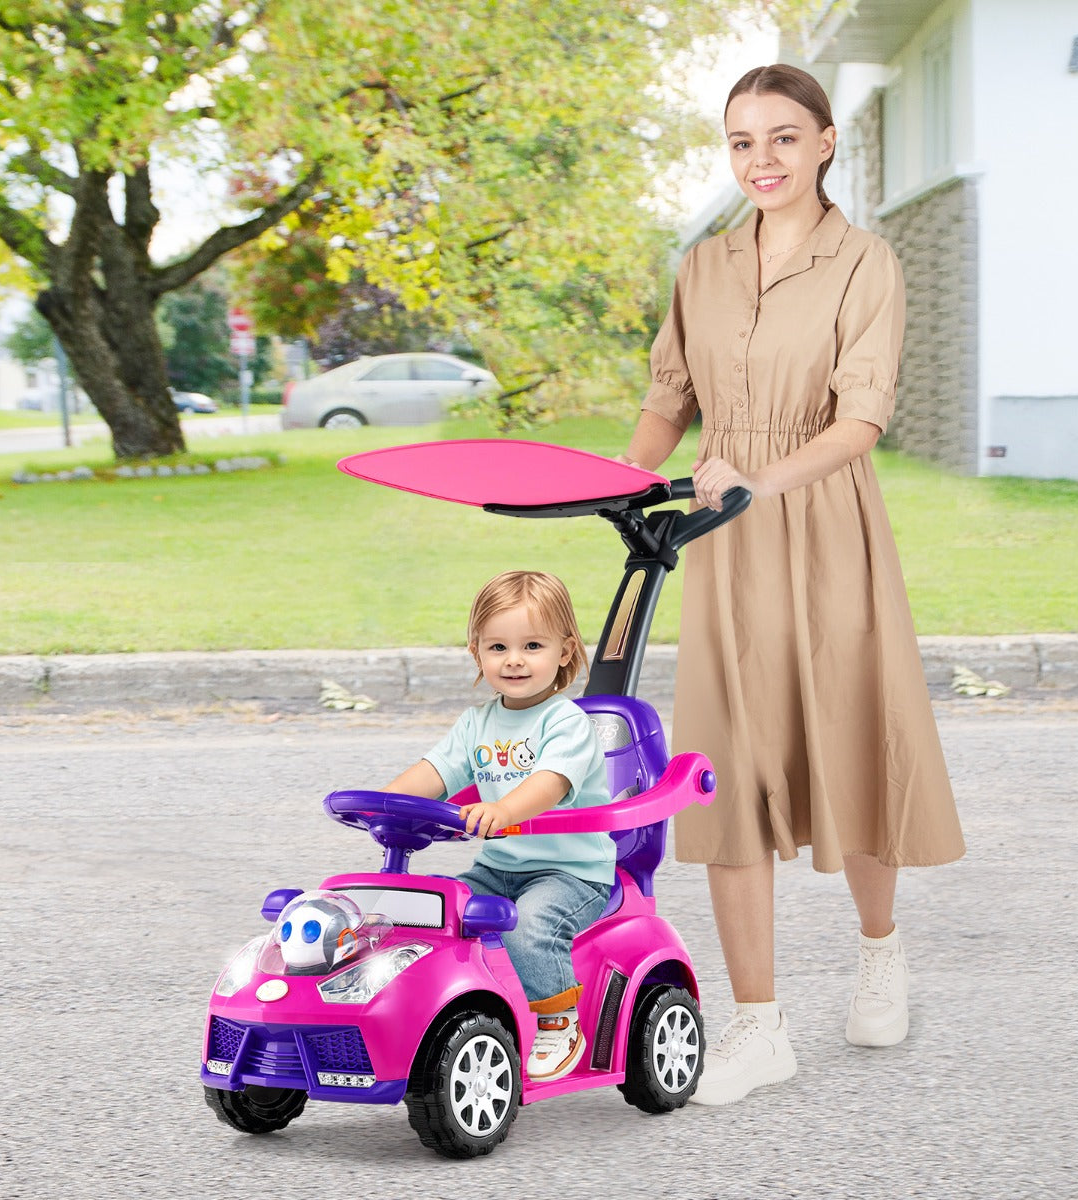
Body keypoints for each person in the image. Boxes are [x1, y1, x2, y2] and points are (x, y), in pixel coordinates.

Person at [619, 64, 966, 1106]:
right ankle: (759, 1025)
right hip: (720, 538)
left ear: (823, 143)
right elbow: (668, 396)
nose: (759, 159)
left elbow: (861, 421)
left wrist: (757, 482)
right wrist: (620, 492)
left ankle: (880, 953)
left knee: (850, 740)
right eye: (739, 141)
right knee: (724, 768)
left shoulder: (865, 263)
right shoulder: (704, 265)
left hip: (823, 524)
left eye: (780, 137)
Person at [382, 569, 614, 1082]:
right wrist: (386, 801)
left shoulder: (567, 722)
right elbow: (436, 773)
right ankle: (441, 1016)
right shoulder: (477, 724)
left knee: (531, 924)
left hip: (572, 873)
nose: (514, 659)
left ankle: (559, 1024)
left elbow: (551, 783)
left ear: (565, 651)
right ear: (477, 653)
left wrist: (505, 810)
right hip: (498, 868)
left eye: (532, 644)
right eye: (498, 646)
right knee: (428, 913)